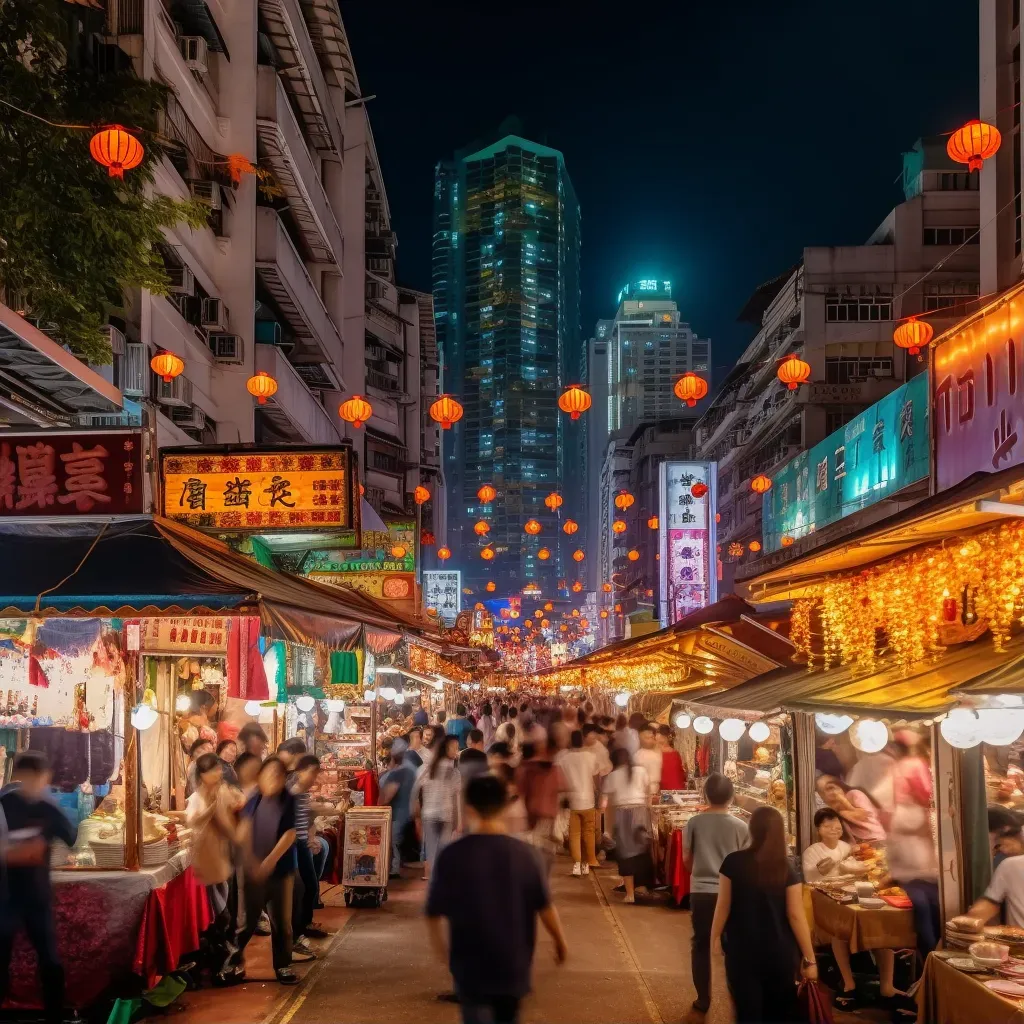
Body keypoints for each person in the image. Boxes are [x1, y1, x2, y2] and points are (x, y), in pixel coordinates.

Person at [427, 773, 568, 1024]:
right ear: (505, 806)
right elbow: (544, 906)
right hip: (512, 964)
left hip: (469, 966)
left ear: (468, 808)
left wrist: (443, 952)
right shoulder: (526, 855)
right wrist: (559, 941)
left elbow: (433, 912)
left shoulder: (453, 854)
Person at [710, 806, 818, 1024]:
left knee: (748, 1013)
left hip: (742, 952)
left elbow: (723, 906)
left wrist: (714, 937)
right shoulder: (787, 869)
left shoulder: (733, 862)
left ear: (753, 829)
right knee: (777, 1013)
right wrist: (810, 959)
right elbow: (796, 916)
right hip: (780, 954)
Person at [0, 751, 77, 1022]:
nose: (36, 783)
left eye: (40, 778)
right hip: (5, 896)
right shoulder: (4, 804)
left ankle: (54, 1016)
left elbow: (71, 836)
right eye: (30, 777)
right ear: (18, 777)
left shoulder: (49, 807)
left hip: (37, 896)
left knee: (50, 961)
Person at [803, 808, 895, 1008]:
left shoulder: (846, 846)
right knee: (839, 930)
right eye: (827, 826)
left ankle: (887, 985)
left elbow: (860, 869)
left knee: (880, 927)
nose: (833, 829)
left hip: (851, 894)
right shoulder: (813, 851)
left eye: (836, 825)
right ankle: (848, 982)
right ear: (819, 829)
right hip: (823, 901)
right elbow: (819, 872)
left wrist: (868, 861)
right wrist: (844, 857)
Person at [228, 757, 299, 985]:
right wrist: (250, 862)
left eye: (278, 775)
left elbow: (290, 834)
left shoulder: (288, 800)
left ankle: (283, 965)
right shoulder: (254, 798)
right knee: (246, 923)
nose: (273, 780)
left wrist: (269, 861)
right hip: (252, 873)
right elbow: (244, 830)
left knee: (282, 923)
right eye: (268, 774)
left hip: (280, 871)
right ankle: (232, 964)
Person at [683, 773, 749, 1016]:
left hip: (701, 892)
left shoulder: (693, 823)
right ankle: (738, 997)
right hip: (732, 893)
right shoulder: (741, 826)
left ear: (706, 795)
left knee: (700, 943)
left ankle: (703, 999)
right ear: (731, 797)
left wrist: (702, 871)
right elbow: (746, 862)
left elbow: (687, 861)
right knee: (734, 946)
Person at [887, 731, 941, 962]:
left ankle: (929, 956)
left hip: (903, 830)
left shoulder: (896, 768)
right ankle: (933, 956)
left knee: (923, 902)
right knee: (929, 903)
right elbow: (926, 794)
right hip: (913, 828)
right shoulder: (914, 764)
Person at [187, 752, 242, 966]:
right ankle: (217, 955)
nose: (219, 773)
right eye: (214, 770)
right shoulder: (197, 798)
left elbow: (239, 804)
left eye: (219, 769)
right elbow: (193, 822)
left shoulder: (223, 791)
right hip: (206, 860)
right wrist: (213, 809)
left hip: (223, 855)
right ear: (203, 774)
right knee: (219, 911)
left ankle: (221, 952)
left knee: (224, 906)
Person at [600, 747, 653, 904]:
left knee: (625, 854)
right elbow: (648, 794)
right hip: (640, 814)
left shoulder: (612, 776)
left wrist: (608, 829)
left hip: (622, 814)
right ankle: (641, 888)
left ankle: (630, 894)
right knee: (642, 851)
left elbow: (608, 805)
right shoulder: (641, 771)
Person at [412, 733, 461, 880]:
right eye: (454, 748)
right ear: (446, 749)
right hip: (444, 816)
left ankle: (435, 884)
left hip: (431, 815)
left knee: (433, 854)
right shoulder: (452, 771)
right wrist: (460, 821)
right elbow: (457, 797)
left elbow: (414, 790)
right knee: (443, 853)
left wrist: (417, 817)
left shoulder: (427, 768)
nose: (457, 752)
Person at [556, 730, 600, 877]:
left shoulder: (564, 759)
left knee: (574, 834)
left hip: (573, 800)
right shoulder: (590, 756)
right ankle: (586, 864)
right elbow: (596, 777)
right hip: (588, 800)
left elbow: (560, 780)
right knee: (589, 834)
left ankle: (576, 865)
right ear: (582, 741)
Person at [515, 742, 565, 867]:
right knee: (544, 847)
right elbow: (563, 787)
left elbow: (520, 790)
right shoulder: (554, 769)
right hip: (548, 813)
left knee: (535, 844)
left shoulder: (526, 769)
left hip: (532, 811)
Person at [379, 745, 417, 879]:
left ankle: (393, 869)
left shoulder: (395, 774)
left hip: (396, 813)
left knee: (393, 842)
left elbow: (387, 796)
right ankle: (393, 867)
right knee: (395, 842)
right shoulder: (408, 771)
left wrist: (378, 804)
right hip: (404, 812)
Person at [815, 775, 886, 844]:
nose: (830, 793)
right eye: (822, 791)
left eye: (831, 788)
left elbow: (863, 816)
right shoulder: (833, 809)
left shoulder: (854, 794)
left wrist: (843, 801)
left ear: (840, 785)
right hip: (860, 844)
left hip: (876, 839)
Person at [633, 722, 662, 797]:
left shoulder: (657, 752)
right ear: (640, 738)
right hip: (642, 793)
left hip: (655, 791)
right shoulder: (637, 755)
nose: (650, 740)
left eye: (652, 737)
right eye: (647, 738)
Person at [656, 725, 686, 791]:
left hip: (672, 788)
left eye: (662, 736)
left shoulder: (674, 753)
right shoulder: (675, 753)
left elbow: (679, 772)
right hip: (673, 788)